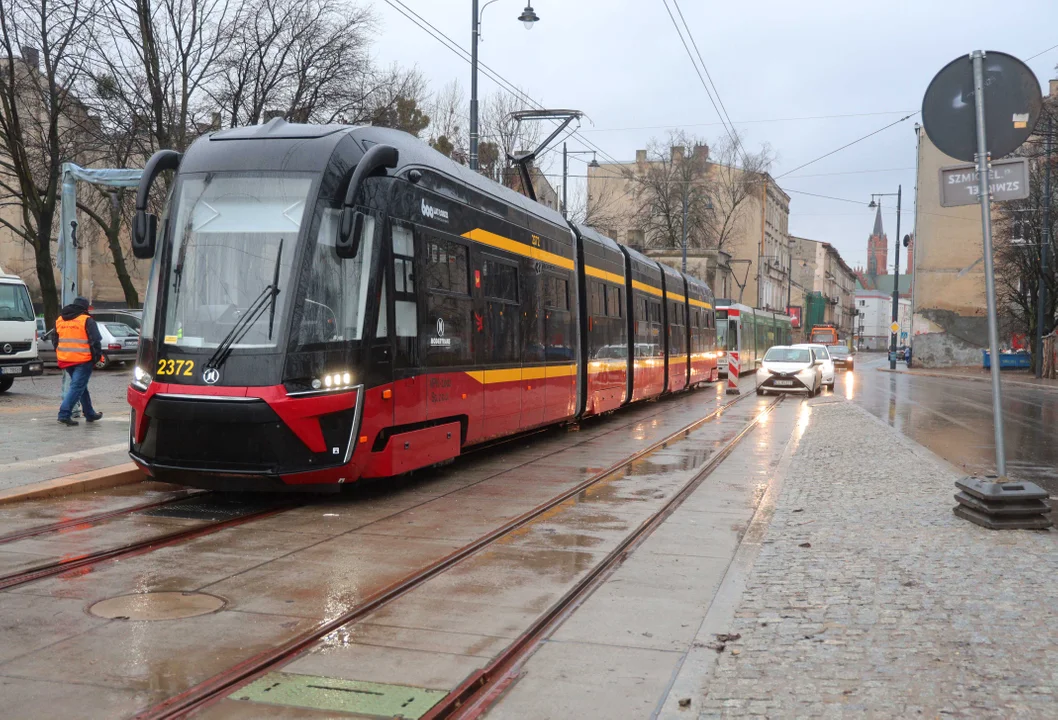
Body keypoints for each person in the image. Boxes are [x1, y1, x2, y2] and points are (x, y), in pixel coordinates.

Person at [54, 296, 103, 426]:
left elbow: (55, 340)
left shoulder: (60, 320)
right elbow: (96, 340)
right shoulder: (86, 320)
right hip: (83, 359)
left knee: (81, 386)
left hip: (66, 359)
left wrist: (61, 353)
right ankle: (64, 414)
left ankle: (89, 413)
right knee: (77, 387)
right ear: (85, 307)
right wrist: (96, 357)